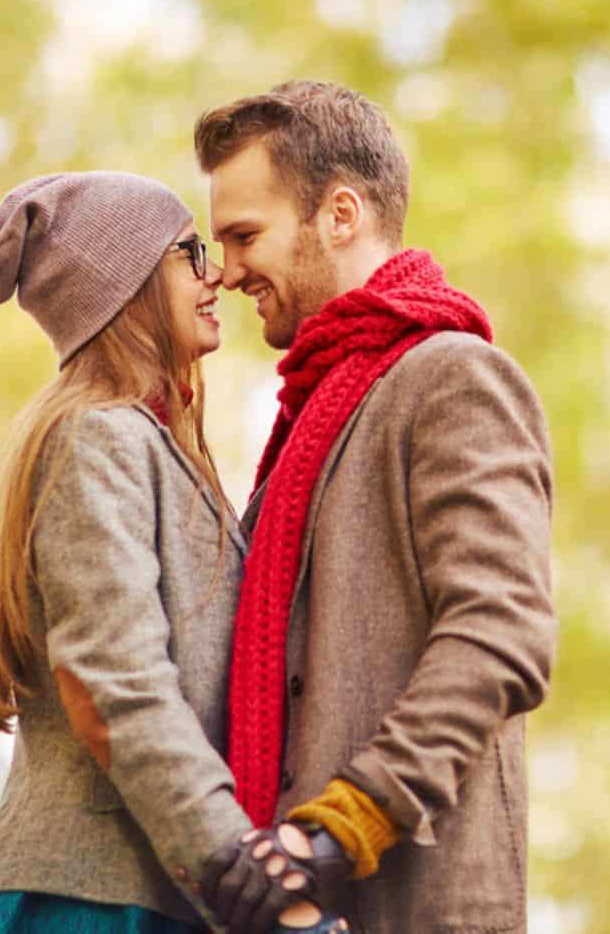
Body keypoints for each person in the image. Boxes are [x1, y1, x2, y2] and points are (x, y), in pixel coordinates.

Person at [193, 82, 557, 934]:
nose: (230, 270)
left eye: (246, 236)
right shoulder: (306, 419)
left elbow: (501, 631)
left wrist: (345, 822)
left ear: (341, 214)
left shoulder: (453, 378)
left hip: (415, 902)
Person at [0, 171, 345, 934]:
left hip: (155, 896)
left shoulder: (154, 448)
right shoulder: (98, 438)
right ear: (125, 284)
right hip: (90, 902)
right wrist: (250, 879)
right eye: (190, 253)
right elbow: (115, 692)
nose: (218, 275)